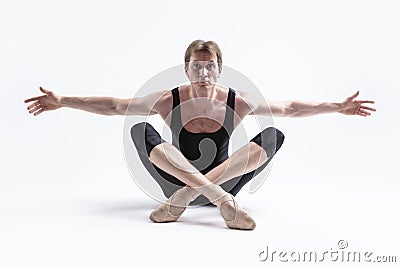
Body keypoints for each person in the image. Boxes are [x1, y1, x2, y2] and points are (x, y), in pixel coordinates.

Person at [24, 40, 376, 230]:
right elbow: (116, 105)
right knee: (139, 128)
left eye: (210, 66)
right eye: (197, 65)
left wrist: (336, 106)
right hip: (172, 182)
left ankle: (194, 198)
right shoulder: (169, 99)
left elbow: (290, 108)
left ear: (219, 70)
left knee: (273, 133)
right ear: (187, 68)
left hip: (221, 184)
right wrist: (64, 101)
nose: (204, 72)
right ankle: (221, 205)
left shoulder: (237, 102)